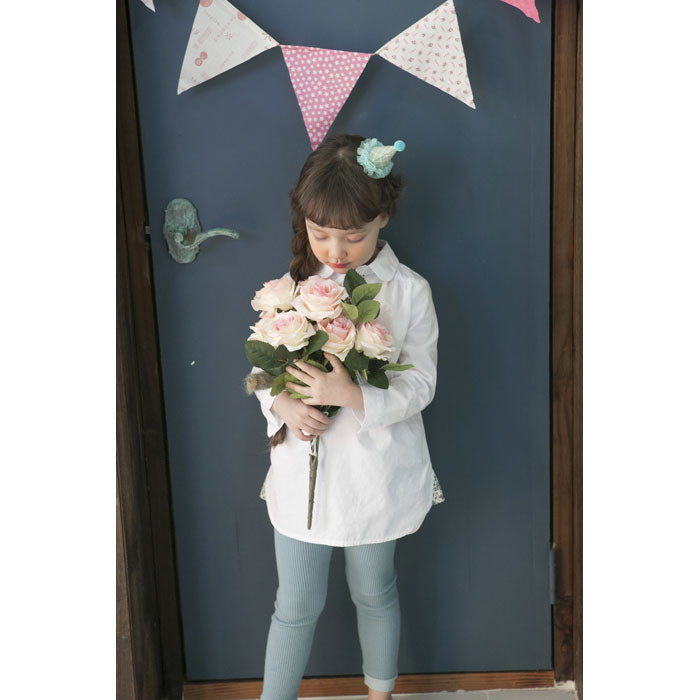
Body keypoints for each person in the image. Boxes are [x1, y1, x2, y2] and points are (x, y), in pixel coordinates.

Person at [248, 133, 445, 700]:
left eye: (352, 236)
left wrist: (352, 394)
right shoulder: (292, 288)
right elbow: (262, 371)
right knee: (295, 604)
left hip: (373, 473)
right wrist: (282, 403)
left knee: (374, 591)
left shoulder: (409, 292)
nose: (335, 250)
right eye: (320, 234)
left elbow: (421, 383)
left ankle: (380, 695)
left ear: (383, 216)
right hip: (302, 470)